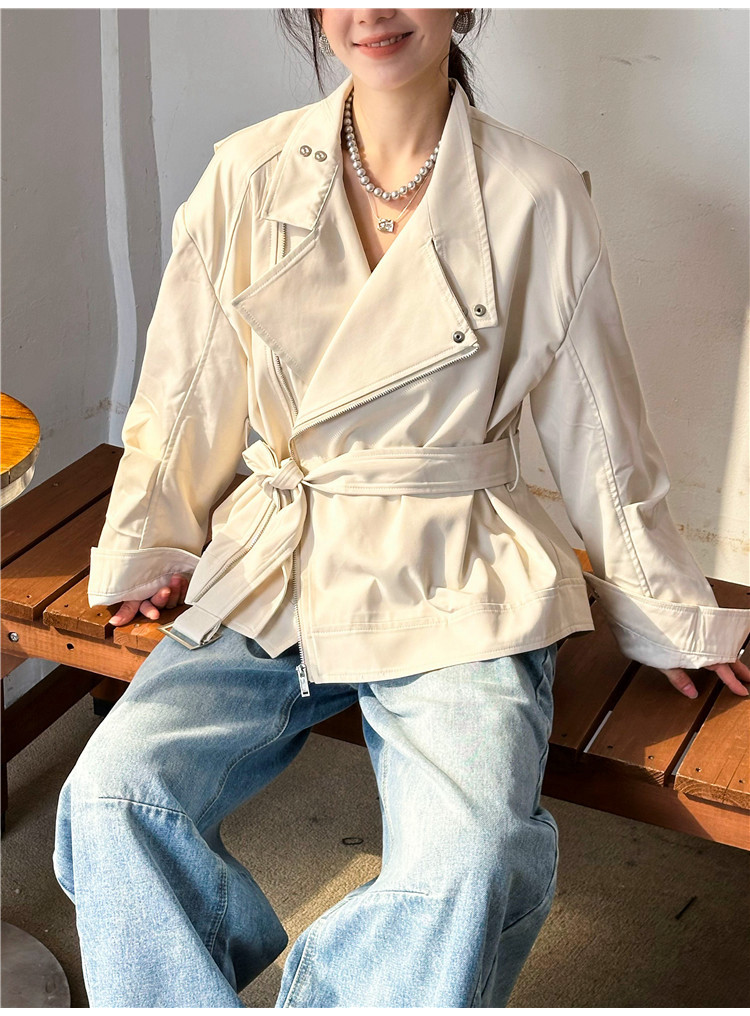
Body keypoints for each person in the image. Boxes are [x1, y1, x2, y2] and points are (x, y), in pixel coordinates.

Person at [53, 8, 750, 1008]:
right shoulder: (248, 174)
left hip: (458, 560)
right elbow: (184, 389)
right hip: (284, 551)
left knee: (469, 859)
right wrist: (149, 545)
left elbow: (600, 427)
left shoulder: (536, 194)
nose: (372, 12)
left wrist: (669, 612)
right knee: (114, 794)